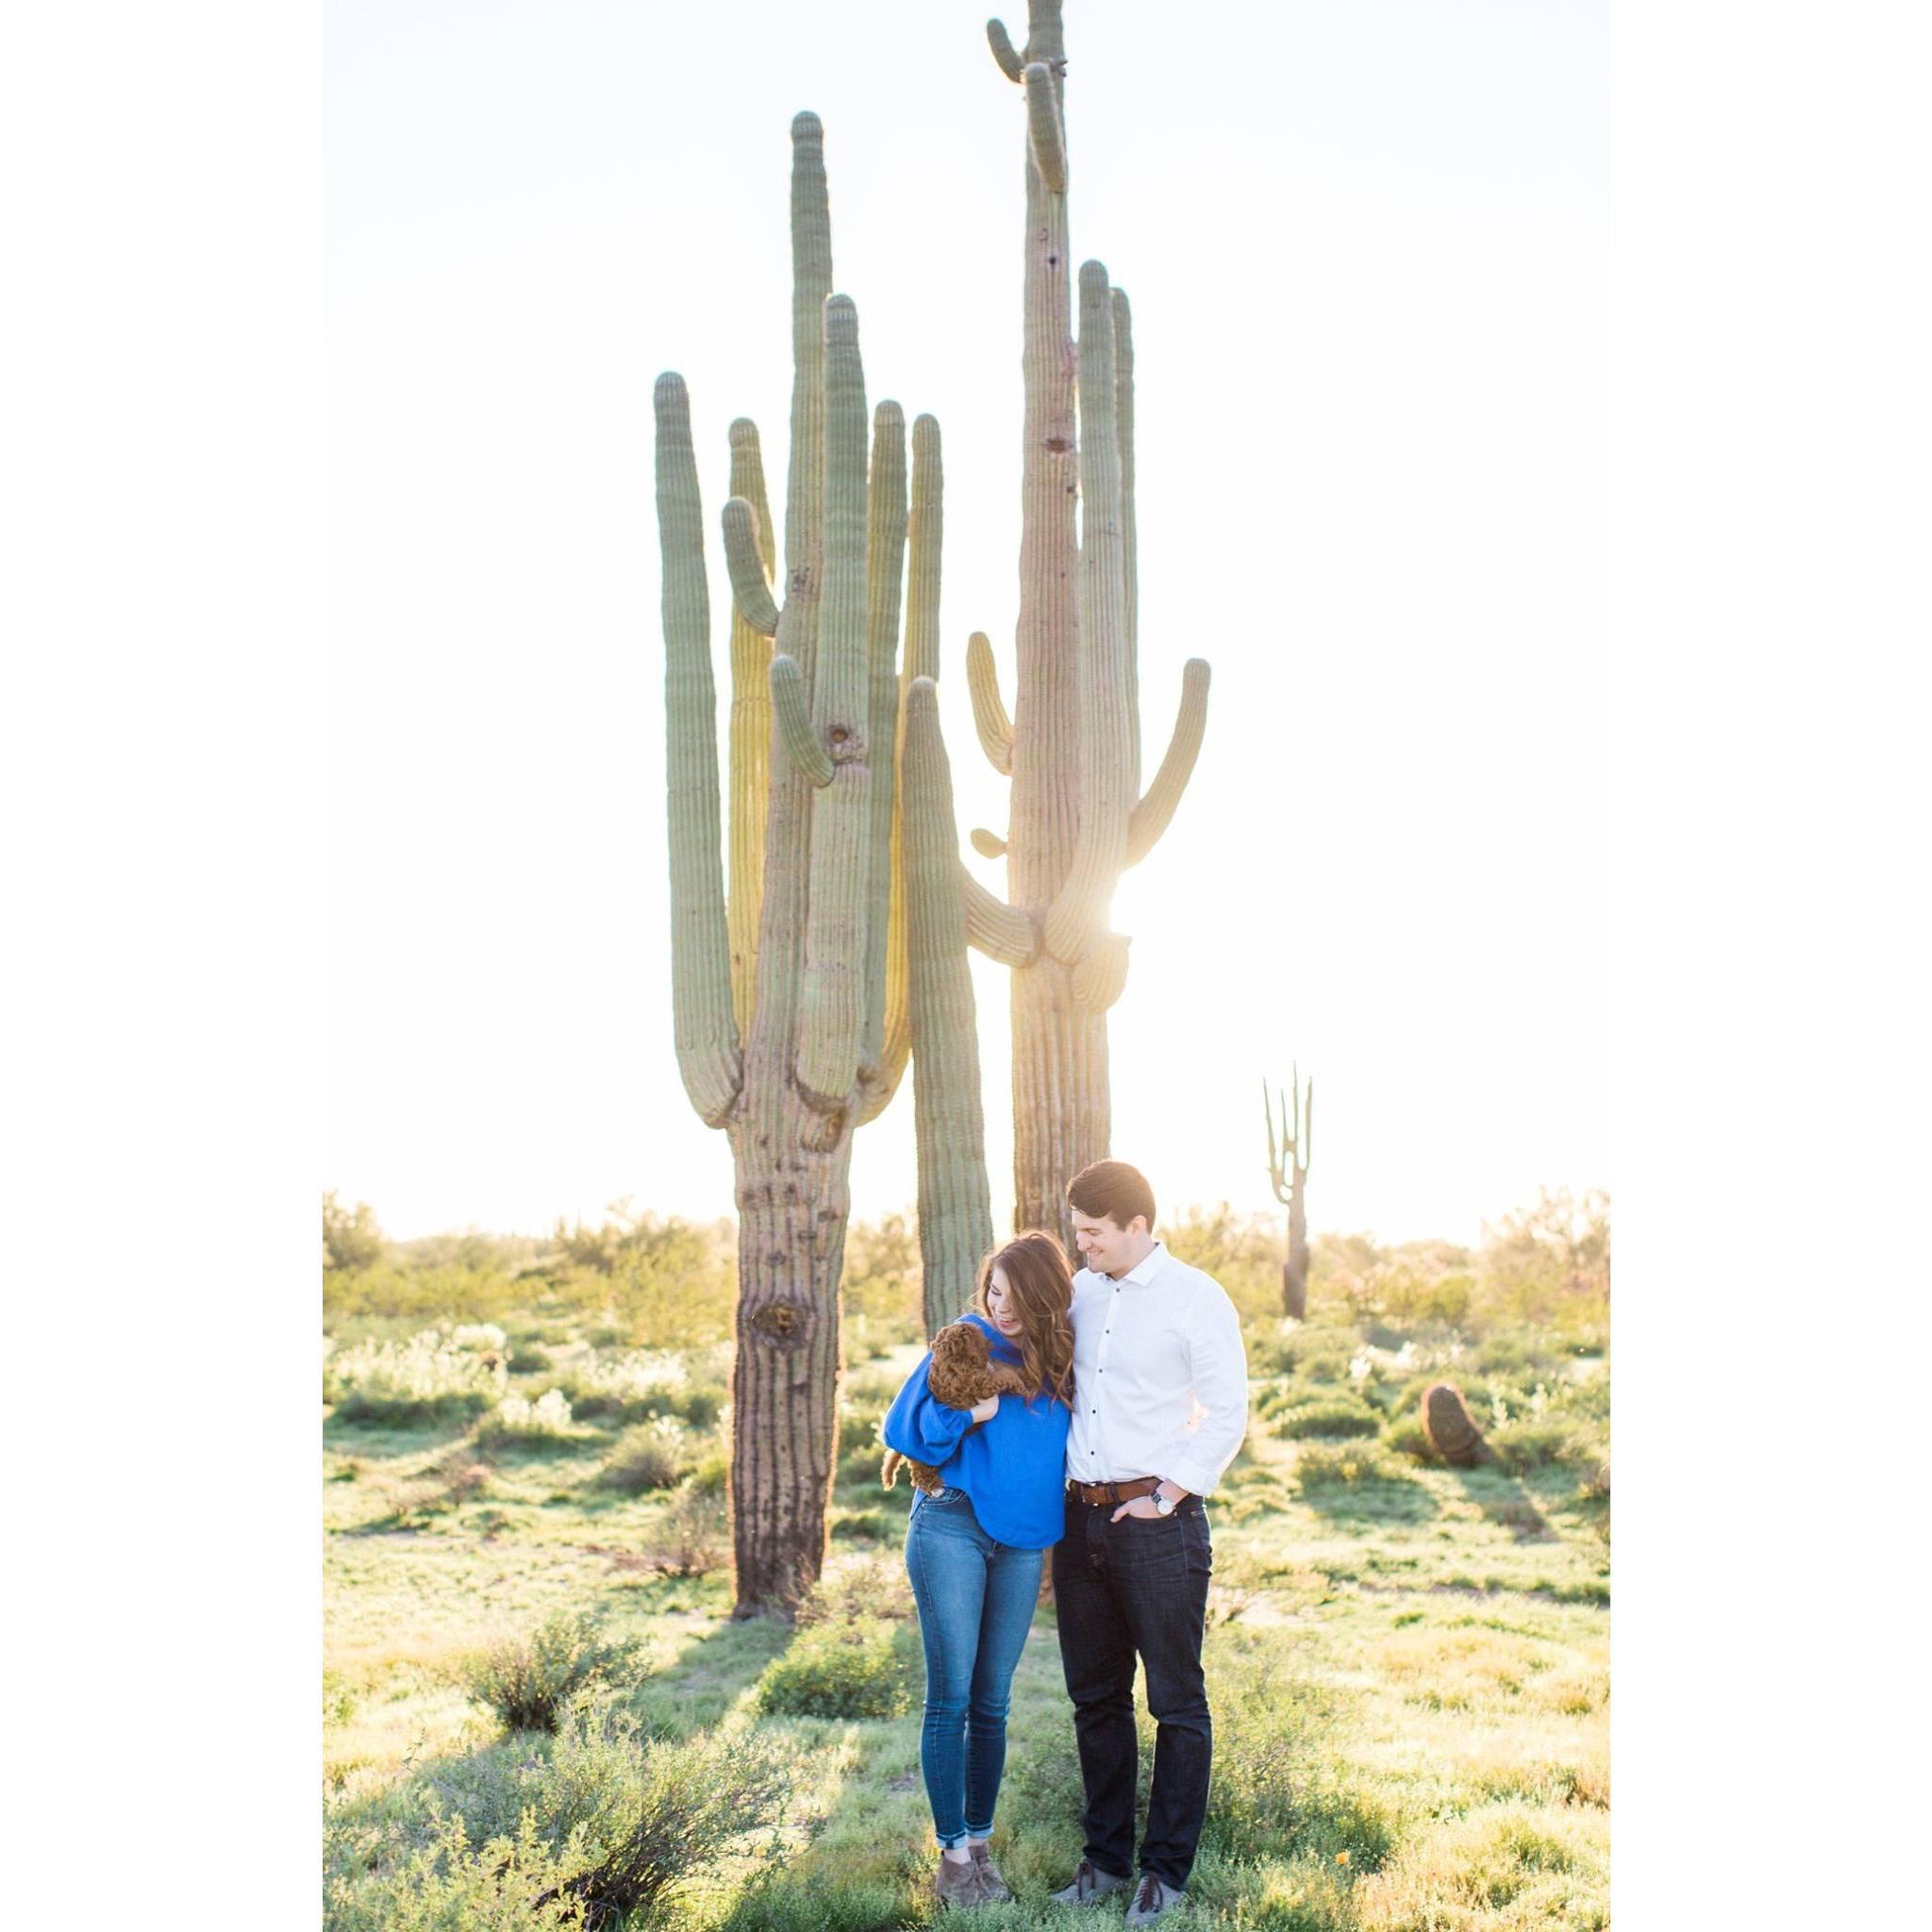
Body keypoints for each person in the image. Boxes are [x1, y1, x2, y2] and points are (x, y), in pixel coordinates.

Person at [1046, 1160, 1249, 1927]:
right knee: (1095, 1699)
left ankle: (1164, 1875)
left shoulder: (1195, 1297)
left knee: (1175, 1701)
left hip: (1157, 1524)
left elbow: (1227, 1410)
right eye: (1077, 1234)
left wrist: (1169, 1495)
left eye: (1094, 1234)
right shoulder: (1079, 1291)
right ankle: (1103, 1863)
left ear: (1138, 1226)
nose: (1083, 1246)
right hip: (1079, 1520)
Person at [882, 1230, 1076, 1911]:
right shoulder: (963, 1340)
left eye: (1017, 1299)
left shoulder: (1059, 1361)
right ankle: (953, 1859)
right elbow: (902, 1429)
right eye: (994, 1291)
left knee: (994, 1703)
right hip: (951, 1527)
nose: (1002, 1309)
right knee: (953, 1698)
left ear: (1045, 1300)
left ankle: (982, 1846)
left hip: (1022, 1542)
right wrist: (966, 1413)